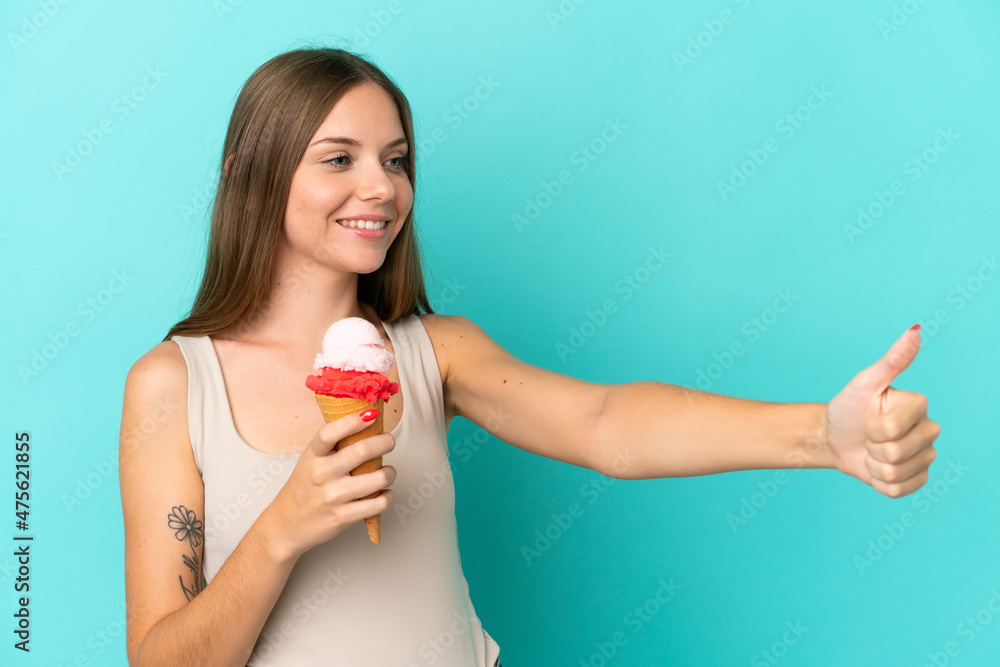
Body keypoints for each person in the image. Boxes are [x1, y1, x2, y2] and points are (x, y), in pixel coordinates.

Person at [118, 47, 940, 666]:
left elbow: (605, 421)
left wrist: (821, 435)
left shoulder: (436, 352)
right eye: (340, 158)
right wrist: (280, 529)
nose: (382, 188)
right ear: (251, 176)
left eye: (396, 159)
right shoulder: (175, 384)